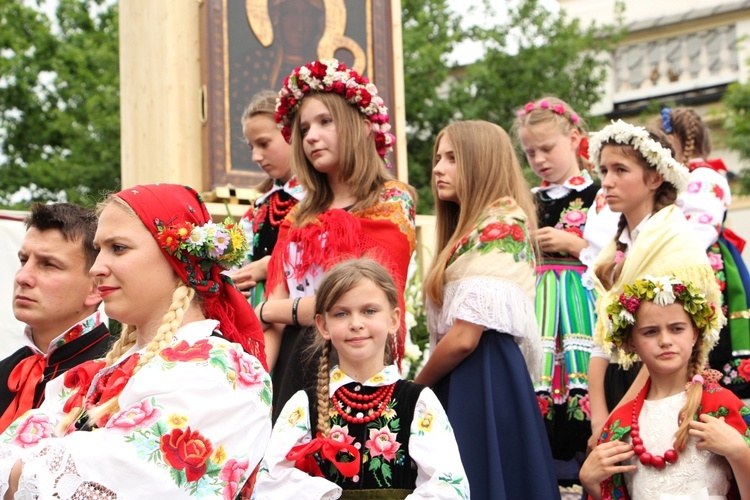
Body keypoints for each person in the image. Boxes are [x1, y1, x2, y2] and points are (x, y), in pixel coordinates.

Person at [0, 184, 272, 498]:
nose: (97, 267)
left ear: (176, 258)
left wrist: (33, 467)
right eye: (99, 249)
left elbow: (112, 481)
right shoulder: (92, 375)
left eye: (118, 248)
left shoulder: (221, 373)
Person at [259, 58, 416, 422]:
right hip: (291, 363)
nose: (311, 136)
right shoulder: (297, 214)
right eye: (304, 128)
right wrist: (257, 384)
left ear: (362, 127)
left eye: (325, 122)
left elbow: (365, 298)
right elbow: (275, 303)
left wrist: (270, 311)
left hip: (355, 357)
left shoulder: (390, 202)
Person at [414, 120, 559, 499]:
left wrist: (413, 390)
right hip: (470, 375)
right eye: (437, 158)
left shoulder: (502, 224)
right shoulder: (476, 226)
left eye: (451, 158)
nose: (438, 168)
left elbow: (464, 337)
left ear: (481, 162)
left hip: (483, 376)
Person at [255, 258, 470, 498]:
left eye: (369, 311)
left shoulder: (419, 402)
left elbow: (450, 486)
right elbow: (271, 482)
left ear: (393, 320)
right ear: (323, 325)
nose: (356, 323)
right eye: (341, 313)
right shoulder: (304, 405)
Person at [586, 120, 725, 452]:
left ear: (655, 177)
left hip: (661, 390)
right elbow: (601, 342)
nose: (607, 181)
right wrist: (599, 419)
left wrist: (619, 417)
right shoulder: (617, 249)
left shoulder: (676, 246)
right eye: (604, 170)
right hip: (619, 386)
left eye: (620, 170)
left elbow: (672, 348)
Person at [579, 275, 748, 499]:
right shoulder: (620, 424)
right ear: (631, 343)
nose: (665, 340)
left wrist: (739, 452)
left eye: (677, 328)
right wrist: (591, 484)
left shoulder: (720, 405)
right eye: (650, 331)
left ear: (694, 334)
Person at [515, 97, 598, 473]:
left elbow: (614, 253)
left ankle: (587, 452)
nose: (539, 159)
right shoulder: (529, 199)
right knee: (539, 373)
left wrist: (575, 245)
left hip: (582, 297)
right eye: (531, 152)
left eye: (547, 148)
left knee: (583, 371)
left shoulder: (598, 195)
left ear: (575, 138)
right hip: (538, 299)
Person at [658, 106, 750, 399]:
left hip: (700, 260)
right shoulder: (685, 175)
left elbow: (700, 228)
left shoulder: (704, 176)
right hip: (688, 257)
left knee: (708, 329)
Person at [0, 203, 111, 434]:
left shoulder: (119, 370)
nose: (23, 277)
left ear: (95, 288)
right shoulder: (4, 371)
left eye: (48, 264)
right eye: (23, 260)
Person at [232, 90, 304, 306]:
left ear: (293, 134)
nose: (256, 157)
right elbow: (235, 263)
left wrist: (271, 265)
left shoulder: (324, 198)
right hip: (260, 321)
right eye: (251, 147)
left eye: (263, 144)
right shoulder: (259, 208)